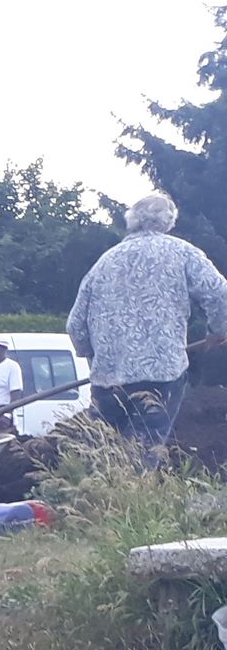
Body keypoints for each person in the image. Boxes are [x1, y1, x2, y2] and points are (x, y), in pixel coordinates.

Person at [67, 192, 227, 467]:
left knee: (104, 461)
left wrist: (95, 356)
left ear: (133, 222)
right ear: (168, 222)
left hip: (108, 382)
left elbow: (75, 325)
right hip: (161, 375)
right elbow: (219, 294)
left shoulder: (104, 262)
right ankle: (132, 505)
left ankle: (98, 505)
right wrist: (218, 330)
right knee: (142, 457)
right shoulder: (183, 252)